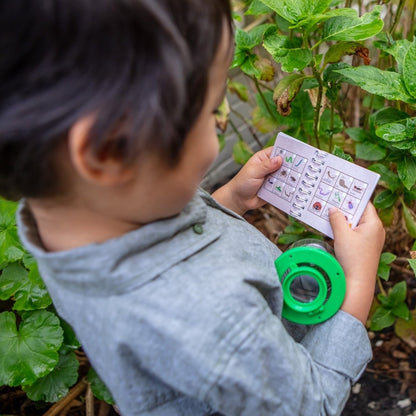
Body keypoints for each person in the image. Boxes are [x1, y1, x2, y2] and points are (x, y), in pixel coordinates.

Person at [0, 0, 385, 415]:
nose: (220, 128)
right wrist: (359, 283)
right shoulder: (211, 318)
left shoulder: (71, 215)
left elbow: (164, 234)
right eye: (211, 111)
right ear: (108, 152)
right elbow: (311, 405)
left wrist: (230, 201)